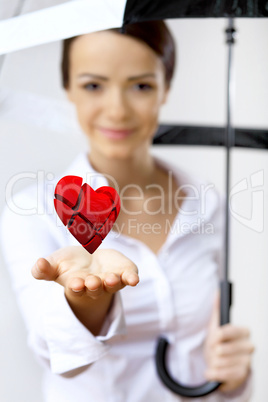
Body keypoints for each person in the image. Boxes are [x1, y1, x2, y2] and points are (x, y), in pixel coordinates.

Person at [0, 21, 254, 401]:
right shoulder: (30, 211)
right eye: (93, 85)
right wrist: (88, 299)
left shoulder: (207, 203)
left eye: (140, 86)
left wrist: (234, 377)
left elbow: (212, 363)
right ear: (67, 87)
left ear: (166, 88)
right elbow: (58, 355)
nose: (117, 110)